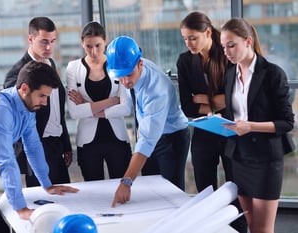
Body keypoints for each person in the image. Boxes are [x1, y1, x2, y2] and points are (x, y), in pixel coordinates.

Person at [0, 61, 79, 233]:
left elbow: (33, 147)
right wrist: (20, 208)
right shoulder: (0, 110)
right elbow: (6, 160)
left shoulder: (27, 110)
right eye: (42, 96)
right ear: (24, 88)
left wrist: (47, 184)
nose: (45, 102)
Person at [220, 18, 294, 233]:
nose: (227, 52)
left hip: (265, 161)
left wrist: (251, 126)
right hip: (240, 157)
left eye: (231, 45)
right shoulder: (231, 74)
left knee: (263, 229)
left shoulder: (272, 74)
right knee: (252, 226)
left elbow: (287, 122)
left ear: (248, 41)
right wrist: (217, 119)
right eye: (224, 47)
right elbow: (234, 113)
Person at [177, 12, 248, 233]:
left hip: (230, 131)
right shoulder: (185, 61)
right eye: (185, 39)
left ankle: (238, 230)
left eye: (193, 38)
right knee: (205, 191)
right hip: (204, 132)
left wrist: (203, 99)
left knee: (235, 189)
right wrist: (216, 101)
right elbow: (188, 107)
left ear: (208, 32)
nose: (188, 43)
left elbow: (232, 99)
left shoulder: (227, 54)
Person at [105, 36, 190, 207]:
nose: (125, 81)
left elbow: (146, 142)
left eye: (128, 75)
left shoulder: (157, 91)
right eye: (120, 77)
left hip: (171, 140)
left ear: (140, 64)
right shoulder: (130, 70)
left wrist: (126, 182)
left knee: (171, 196)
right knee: (153, 191)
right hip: (151, 137)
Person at [4, 16, 73, 187]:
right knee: (42, 203)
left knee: (66, 199)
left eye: (53, 41)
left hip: (56, 145)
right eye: (43, 42)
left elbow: (58, 109)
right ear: (30, 39)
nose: (49, 47)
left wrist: (65, 143)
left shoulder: (50, 64)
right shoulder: (17, 74)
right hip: (36, 147)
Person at [65, 21, 132, 181]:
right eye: (88, 46)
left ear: (105, 41)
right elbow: (74, 112)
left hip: (117, 140)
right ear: (82, 43)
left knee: (122, 186)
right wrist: (111, 101)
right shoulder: (73, 68)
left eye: (98, 45)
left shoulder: (118, 63)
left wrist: (88, 108)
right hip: (88, 143)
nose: (93, 51)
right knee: (93, 191)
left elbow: (126, 108)